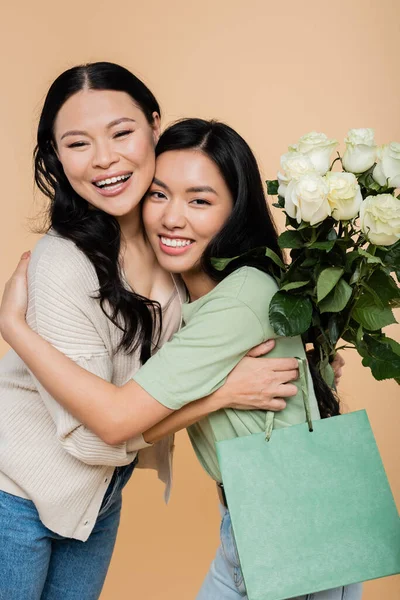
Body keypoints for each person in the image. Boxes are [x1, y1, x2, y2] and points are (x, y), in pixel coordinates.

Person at [0, 118, 358, 600]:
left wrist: (14, 328)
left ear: (235, 212)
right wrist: (225, 392)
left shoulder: (238, 299)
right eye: (159, 194)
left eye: (200, 201)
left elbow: (117, 419)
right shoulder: (192, 301)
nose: (172, 218)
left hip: (291, 529)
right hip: (270, 526)